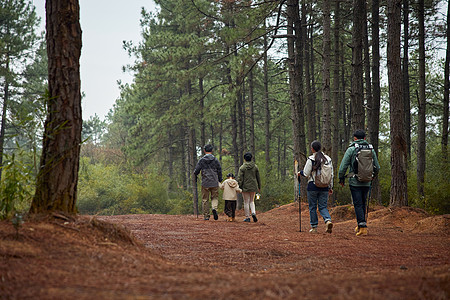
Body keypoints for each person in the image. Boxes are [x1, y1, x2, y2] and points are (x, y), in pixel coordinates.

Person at [338, 129, 380, 236]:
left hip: (355, 181)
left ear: (355, 138)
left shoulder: (351, 149)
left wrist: (341, 178)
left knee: (357, 204)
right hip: (367, 182)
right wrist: (372, 177)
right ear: (365, 138)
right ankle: (360, 224)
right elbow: (377, 167)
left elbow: (343, 167)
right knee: (363, 203)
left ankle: (363, 227)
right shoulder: (371, 149)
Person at [299, 141, 334, 234]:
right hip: (325, 186)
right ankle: (328, 220)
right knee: (323, 207)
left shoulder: (311, 159)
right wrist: (330, 186)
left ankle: (314, 227)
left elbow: (306, 173)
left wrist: (300, 172)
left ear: (312, 149)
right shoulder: (328, 159)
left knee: (313, 207)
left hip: (313, 186)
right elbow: (331, 174)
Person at [194, 144, 222, 221]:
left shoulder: (201, 160)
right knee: (215, 197)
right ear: (212, 150)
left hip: (205, 182)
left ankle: (206, 216)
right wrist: (220, 179)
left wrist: (196, 175)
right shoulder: (215, 160)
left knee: (205, 199)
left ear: (204, 150)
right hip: (214, 181)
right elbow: (219, 170)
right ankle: (214, 208)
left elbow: (196, 171)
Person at [237, 152, 261, 222]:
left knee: (246, 202)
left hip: (245, 187)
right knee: (251, 201)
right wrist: (259, 186)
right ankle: (253, 212)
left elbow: (240, 178)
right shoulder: (255, 167)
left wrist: (239, 186)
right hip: (253, 186)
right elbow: (258, 178)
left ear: (244, 159)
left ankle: (247, 217)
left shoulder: (242, 167)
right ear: (251, 158)